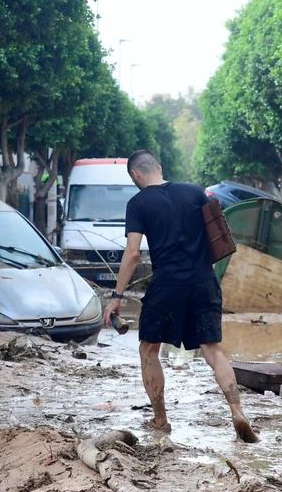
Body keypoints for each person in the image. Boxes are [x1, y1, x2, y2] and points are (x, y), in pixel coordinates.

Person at [103, 150, 258, 443]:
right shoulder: (195, 192)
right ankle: (237, 411)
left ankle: (160, 420)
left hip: (167, 284)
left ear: (136, 175)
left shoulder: (137, 203)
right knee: (213, 351)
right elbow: (219, 234)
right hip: (203, 280)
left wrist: (116, 296)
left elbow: (133, 253)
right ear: (159, 168)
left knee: (149, 350)